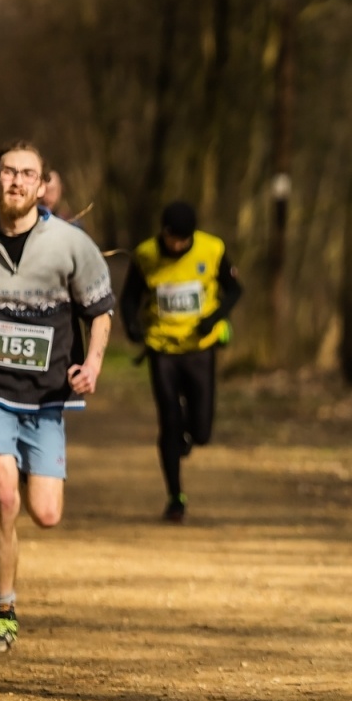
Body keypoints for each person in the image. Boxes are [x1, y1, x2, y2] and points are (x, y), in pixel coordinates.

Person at [0, 140, 115, 654]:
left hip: (48, 392)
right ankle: (3, 612)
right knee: (3, 496)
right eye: (7, 172)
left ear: (42, 185)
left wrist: (93, 363)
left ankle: (23, 464)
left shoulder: (70, 245)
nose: (16, 181)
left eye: (26, 174)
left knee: (45, 512)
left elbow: (100, 311)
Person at [120, 200, 242, 523]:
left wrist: (214, 318)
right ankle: (175, 496)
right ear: (165, 233)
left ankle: (189, 437)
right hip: (162, 349)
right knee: (169, 422)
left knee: (201, 430)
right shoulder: (145, 255)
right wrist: (132, 325)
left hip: (200, 348)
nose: (180, 246)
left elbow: (234, 290)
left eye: (185, 240)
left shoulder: (212, 249)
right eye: (175, 239)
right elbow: (130, 297)